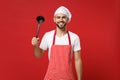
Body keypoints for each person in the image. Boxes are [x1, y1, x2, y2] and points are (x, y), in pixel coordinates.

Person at [31, 6, 82, 80]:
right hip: (51, 77)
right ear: (54, 19)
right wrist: (36, 46)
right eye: (58, 17)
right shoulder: (48, 35)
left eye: (63, 17)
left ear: (68, 19)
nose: (61, 20)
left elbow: (78, 60)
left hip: (68, 78)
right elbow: (38, 55)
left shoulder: (74, 37)